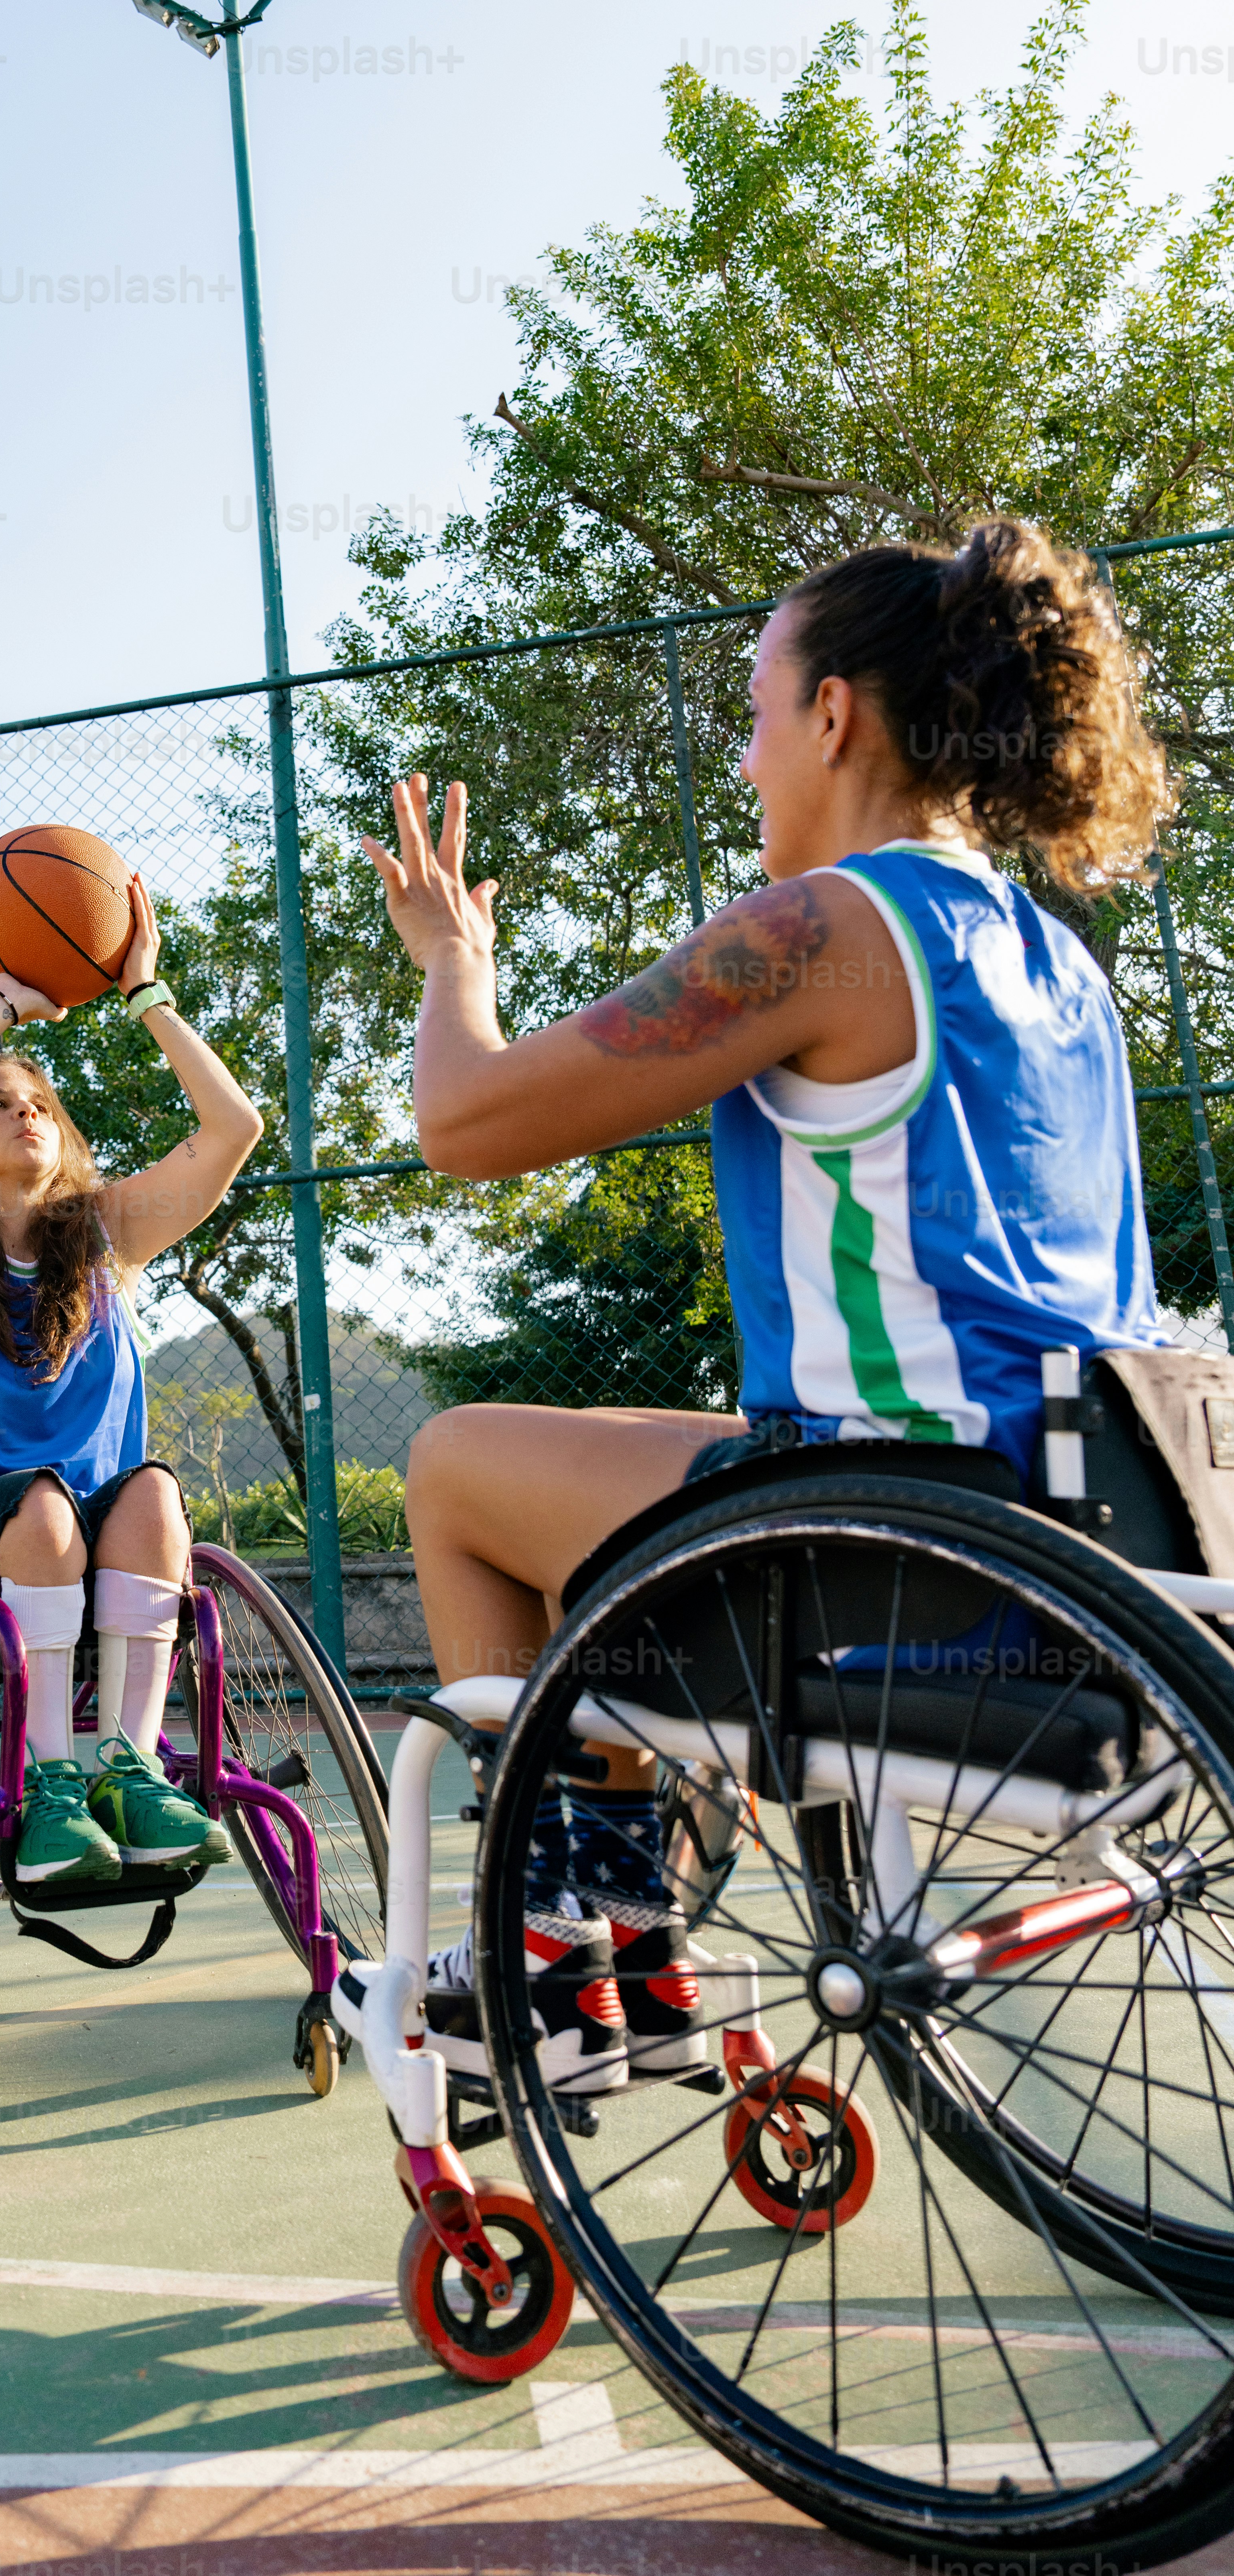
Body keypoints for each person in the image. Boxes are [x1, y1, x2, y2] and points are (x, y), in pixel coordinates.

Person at [339, 519, 1172, 2095]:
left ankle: (578, 1932)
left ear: (836, 715)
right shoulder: (1054, 956)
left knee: (452, 1469)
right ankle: (616, 1921)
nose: (743, 761)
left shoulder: (817, 931)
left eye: (755, 711)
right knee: (664, 1462)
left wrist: (452, 958)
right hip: (1091, 1549)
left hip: (893, 1560)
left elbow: (465, 1123)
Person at [0, 876, 265, 1890]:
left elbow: (234, 1130)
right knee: (44, 1508)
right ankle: (49, 1786)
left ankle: (129, 1770)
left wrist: (148, 995)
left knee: (157, 1497)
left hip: (92, 1534)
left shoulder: (106, 1241)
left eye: (41, 1103)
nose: (23, 1111)